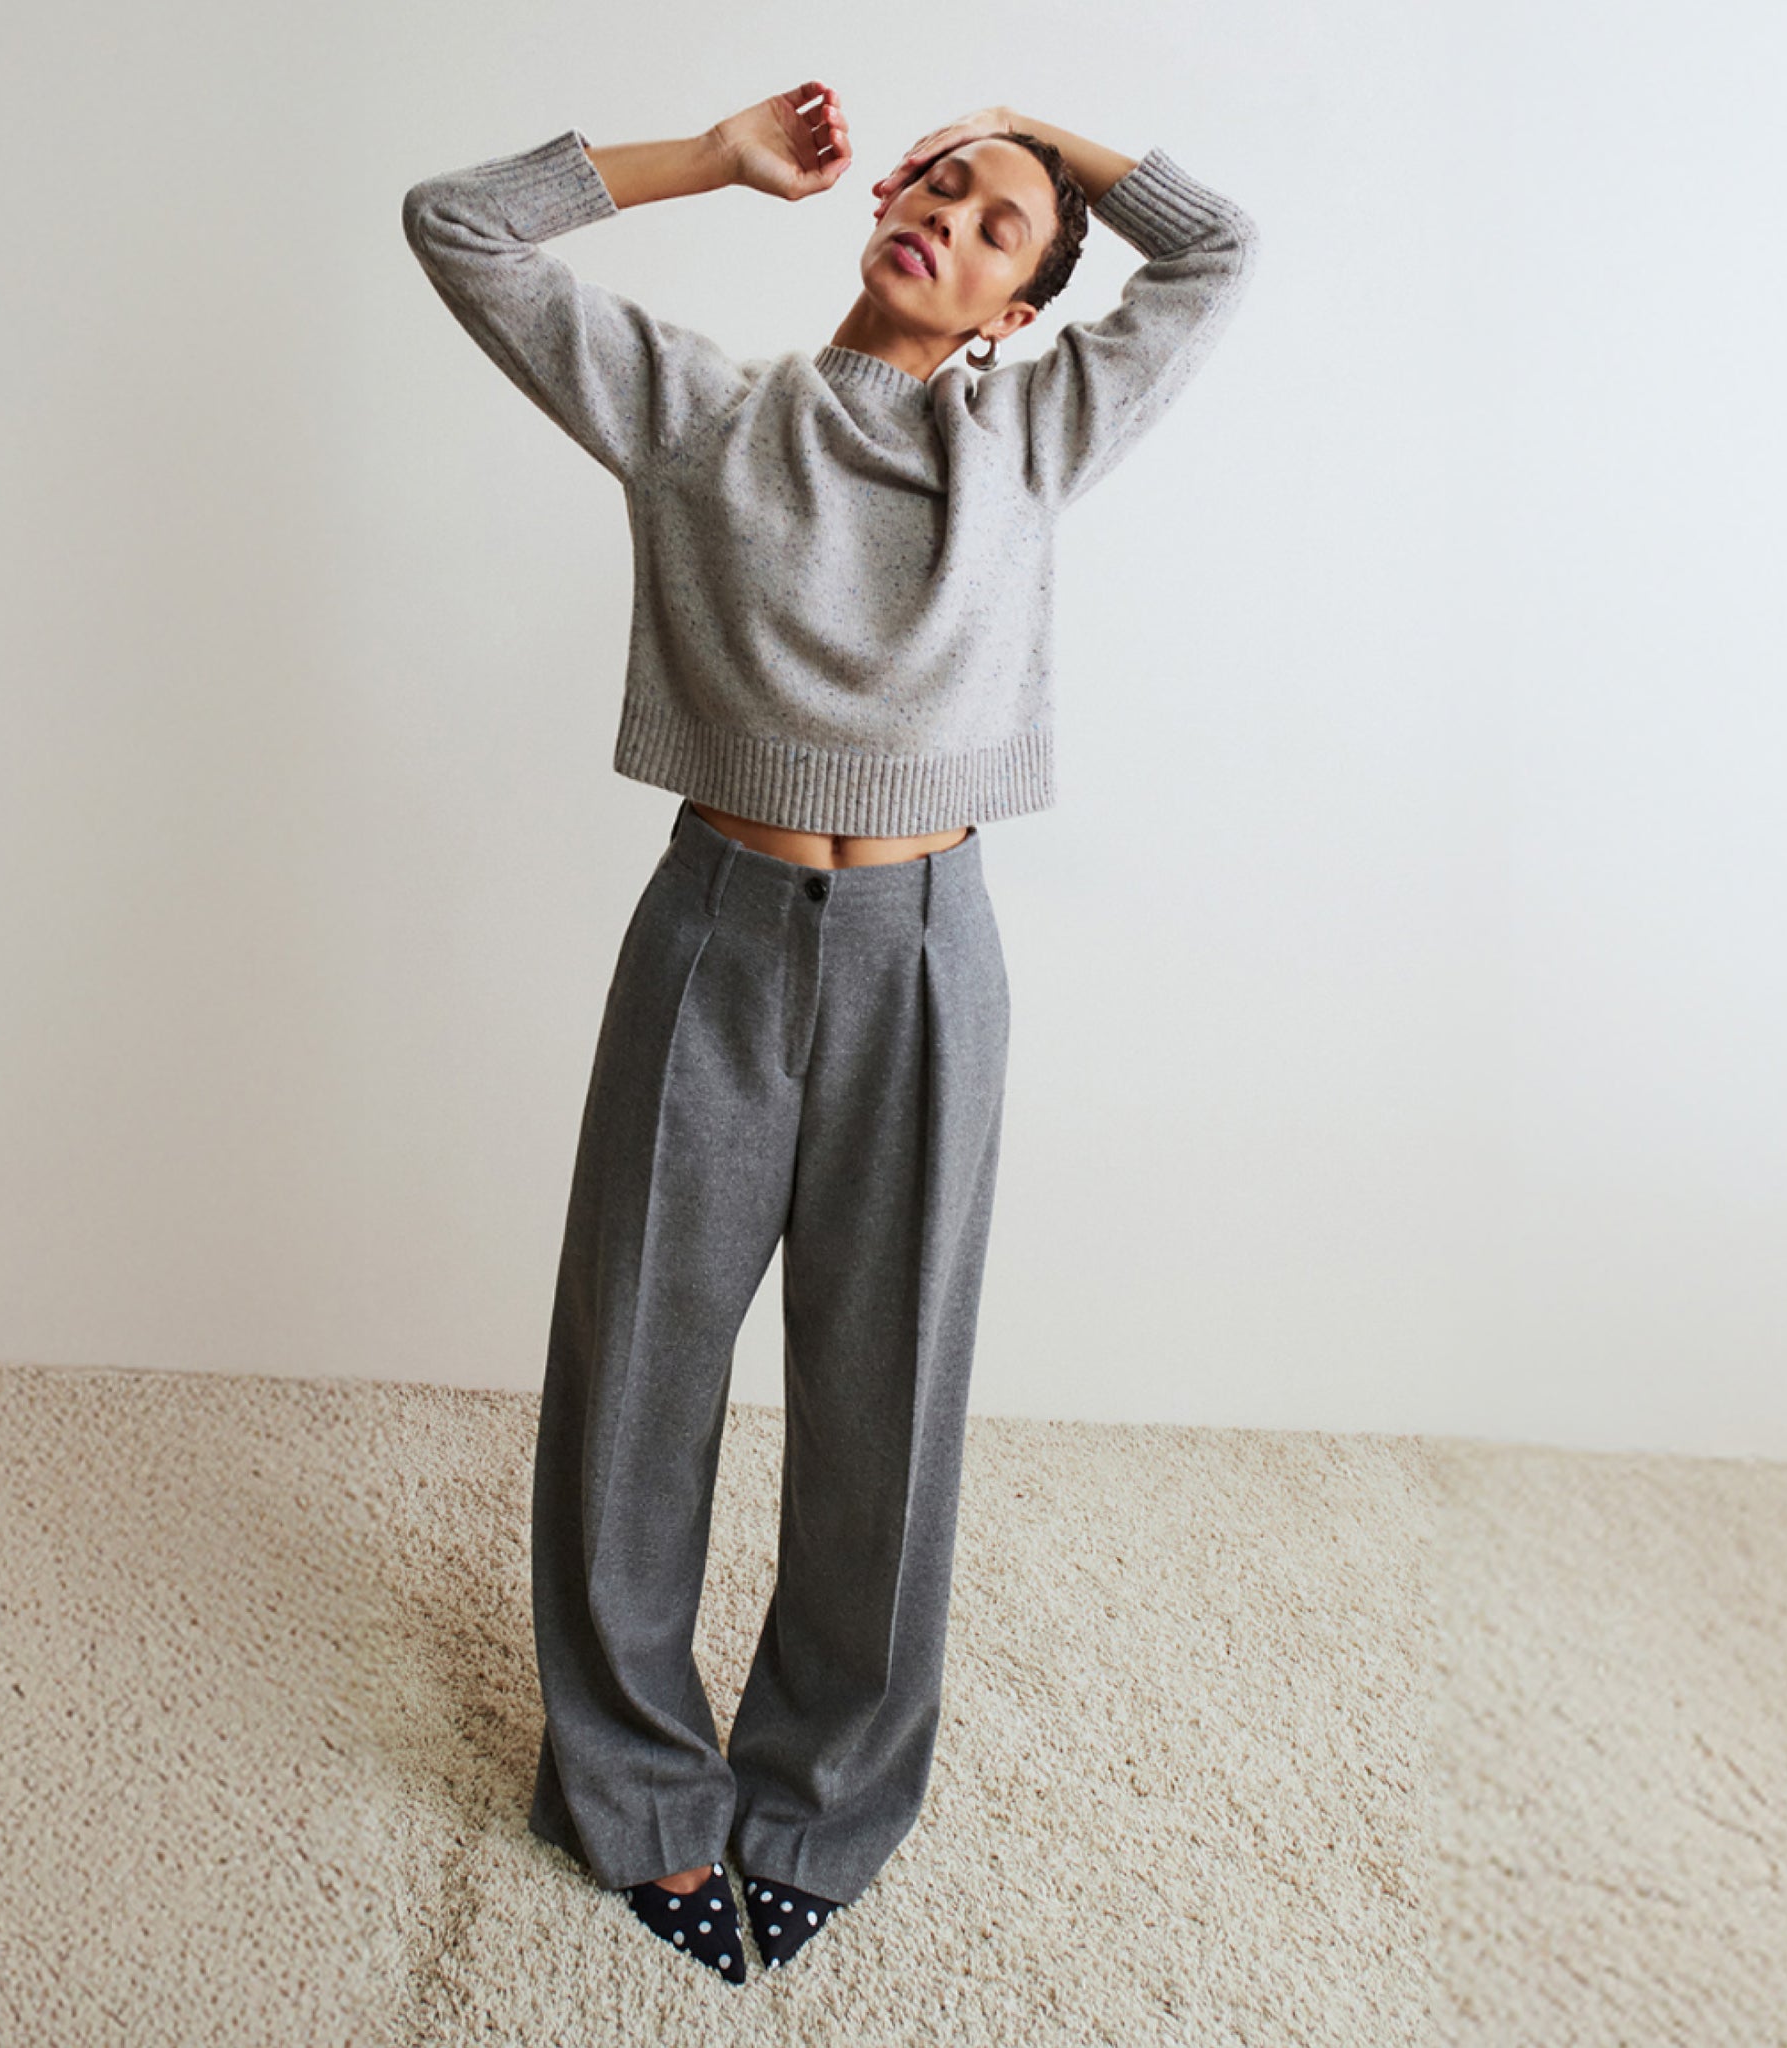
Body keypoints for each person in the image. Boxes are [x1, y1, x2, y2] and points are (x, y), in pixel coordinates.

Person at [401, 83, 1259, 1984]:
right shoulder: (701, 412)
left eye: (996, 222)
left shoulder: (1036, 430)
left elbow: (1218, 250)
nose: (947, 216)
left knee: (892, 1391)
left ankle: (822, 1794)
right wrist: (708, 162)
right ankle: (626, 1786)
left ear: (1018, 308)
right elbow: (457, 223)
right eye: (934, 185)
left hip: (929, 952)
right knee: (640, 1370)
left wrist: (1043, 125)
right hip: (714, 930)